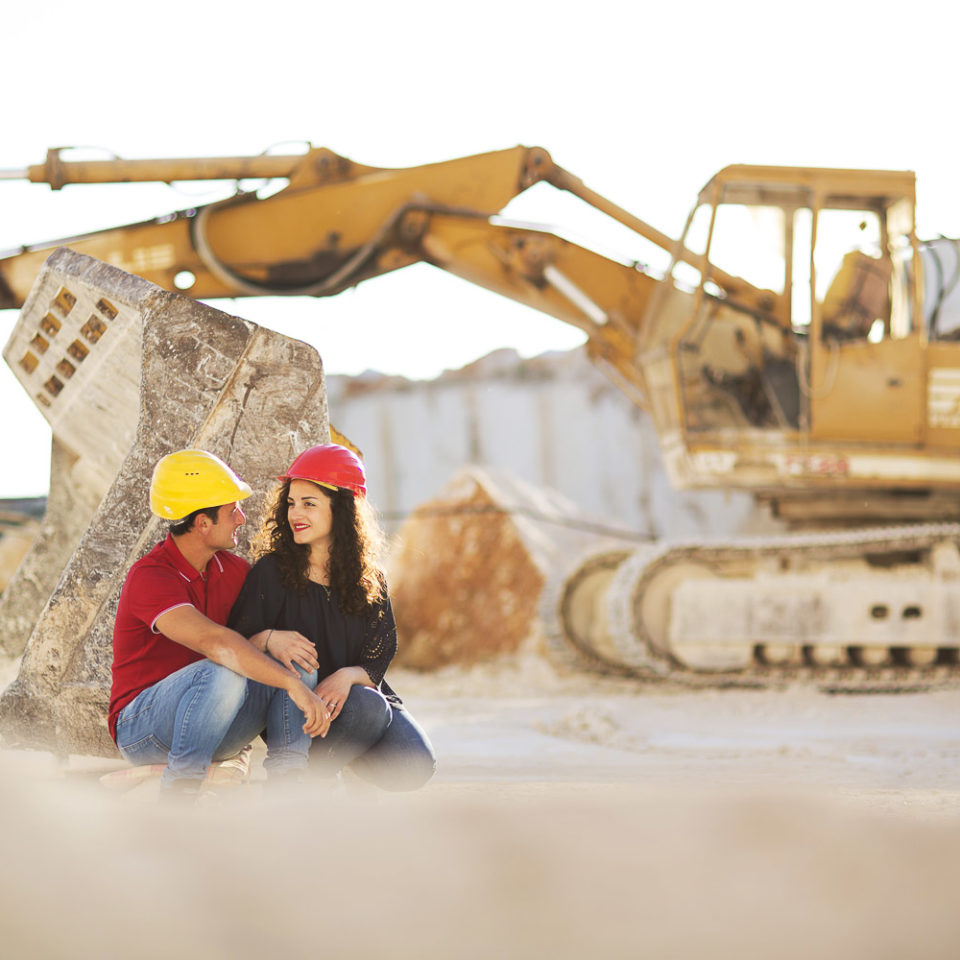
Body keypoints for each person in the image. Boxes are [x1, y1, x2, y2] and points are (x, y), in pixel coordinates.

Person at [109, 449, 331, 800]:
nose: (242, 519)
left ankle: (290, 788)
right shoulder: (150, 576)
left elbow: (245, 645)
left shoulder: (234, 571)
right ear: (202, 523)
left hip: (217, 721)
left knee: (296, 661)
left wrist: (270, 640)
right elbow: (217, 644)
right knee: (225, 671)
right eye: (232, 511)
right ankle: (181, 790)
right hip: (144, 729)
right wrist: (292, 686)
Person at [228, 443, 436, 791]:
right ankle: (305, 779)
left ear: (341, 509)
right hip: (292, 711)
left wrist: (347, 676)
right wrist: (269, 639)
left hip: (349, 701)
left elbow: (379, 655)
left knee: (414, 763)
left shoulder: (371, 579)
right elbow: (236, 644)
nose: (296, 514)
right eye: (292, 503)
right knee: (371, 707)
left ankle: (337, 760)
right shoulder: (271, 572)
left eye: (310, 504)